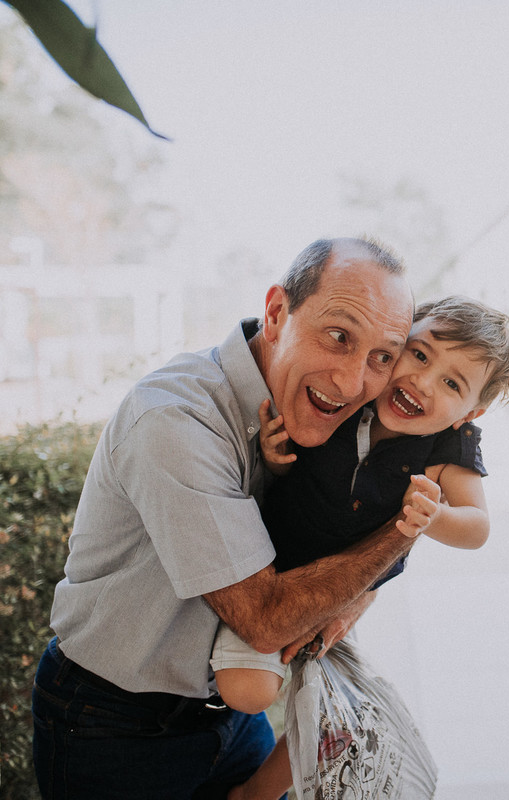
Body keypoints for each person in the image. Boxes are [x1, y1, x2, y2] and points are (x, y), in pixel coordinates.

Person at [31, 237, 419, 799]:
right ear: (277, 313)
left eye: (382, 357)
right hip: (112, 727)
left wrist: (364, 587)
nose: (353, 381)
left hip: (230, 718)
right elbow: (264, 619)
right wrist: (403, 532)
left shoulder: (316, 411)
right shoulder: (175, 420)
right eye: (339, 336)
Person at [212, 295, 509, 800]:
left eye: (451, 384)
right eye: (419, 355)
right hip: (273, 573)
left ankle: (255, 793)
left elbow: (478, 526)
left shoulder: (447, 447)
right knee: (248, 691)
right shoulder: (348, 394)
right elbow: (289, 477)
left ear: (472, 411)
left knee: (328, 715)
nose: (423, 382)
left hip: (341, 588)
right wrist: (273, 459)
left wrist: (435, 516)